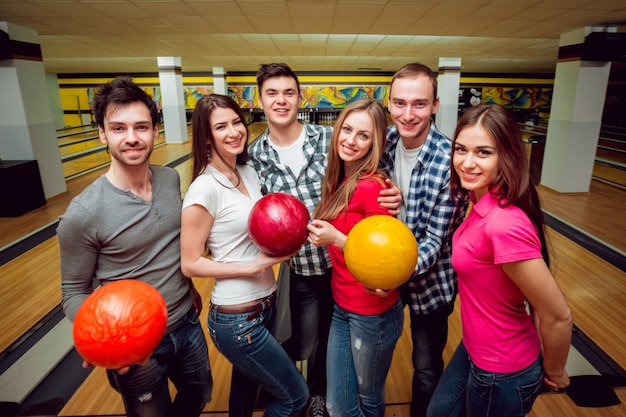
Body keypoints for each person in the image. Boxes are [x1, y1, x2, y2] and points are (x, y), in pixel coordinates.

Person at [248, 63, 401, 417]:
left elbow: (373, 160)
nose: (281, 100)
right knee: (305, 342)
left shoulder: (327, 139)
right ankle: (295, 393)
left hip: (342, 273)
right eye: (272, 93)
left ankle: (317, 398)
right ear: (260, 100)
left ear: (301, 97)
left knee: (334, 358)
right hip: (303, 269)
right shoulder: (255, 156)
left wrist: (393, 192)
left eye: (289, 92)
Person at [58, 76, 213, 417]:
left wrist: (186, 286)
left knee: (200, 395)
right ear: (102, 133)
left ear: (155, 131)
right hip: (136, 347)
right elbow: (73, 291)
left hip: (186, 322)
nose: (131, 138)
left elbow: (171, 245)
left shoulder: (171, 180)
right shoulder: (83, 214)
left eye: (141, 127)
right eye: (118, 128)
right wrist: (97, 338)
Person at [427, 104, 572, 417]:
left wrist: (556, 370)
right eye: (460, 149)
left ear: (506, 156)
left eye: (483, 152)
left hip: (503, 371)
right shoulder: (478, 200)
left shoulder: (503, 225)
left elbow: (557, 315)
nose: (467, 162)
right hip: (475, 349)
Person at [179, 94, 309, 417]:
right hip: (236, 320)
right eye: (221, 126)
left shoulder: (247, 172)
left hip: (264, 306)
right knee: (296, 397)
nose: (234, 131)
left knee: (245, 391)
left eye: (237, 122)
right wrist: (252, 266)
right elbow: (190, 262)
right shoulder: (203, 189)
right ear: (206, 138)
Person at [380, 62, 469, 417]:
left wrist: (387, 274)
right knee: (375, 354)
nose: (408, 113)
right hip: (385, 270)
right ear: (389, 103)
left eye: (419, 103)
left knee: (427, 367)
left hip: (430, 282)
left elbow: (434, 241)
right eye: (400, 103)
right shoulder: (384, 143)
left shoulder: (451, 163)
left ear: (435, 105)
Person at [306, 98, 404, 417]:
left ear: (375, 143)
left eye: (363, 135)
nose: (351, 140)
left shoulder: (372, 187)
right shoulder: (338, 180)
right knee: (338, 404)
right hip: (343, 305)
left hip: (371, 314)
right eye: (347, 129)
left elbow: (386, 256)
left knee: (367, 399)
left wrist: (335, 238)